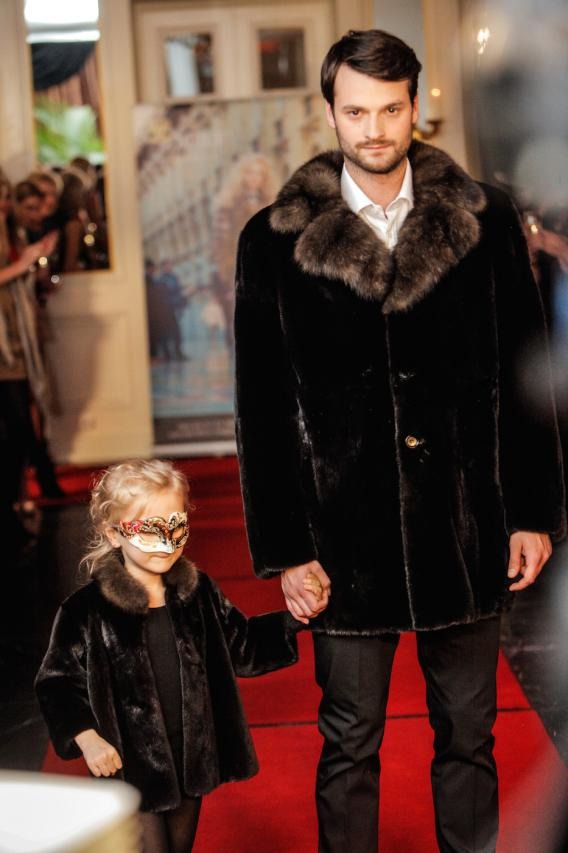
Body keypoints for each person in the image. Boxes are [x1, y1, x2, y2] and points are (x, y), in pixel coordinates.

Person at [234, 29, 566, 853]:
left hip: (465, 521)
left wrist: (534, 512)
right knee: (348, 740)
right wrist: (286, 551)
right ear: (330, 112)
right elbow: (262, 409)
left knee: (470, 733)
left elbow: (527, 374)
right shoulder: (273, 239)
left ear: (415, 105)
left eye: (390, 109)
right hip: (343, 536)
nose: (375, 129)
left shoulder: (486, 220)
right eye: (357, 111)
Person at [35, 458, 316, 853]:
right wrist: (87, 737)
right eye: (150, 529)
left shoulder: (196, 593)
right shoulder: (86, 610)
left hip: (190, 760)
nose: (167, 542)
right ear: (114, 534)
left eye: (176, 525)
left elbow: (242, 646)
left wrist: (294, 619)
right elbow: (57, 682)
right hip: (128, 764)